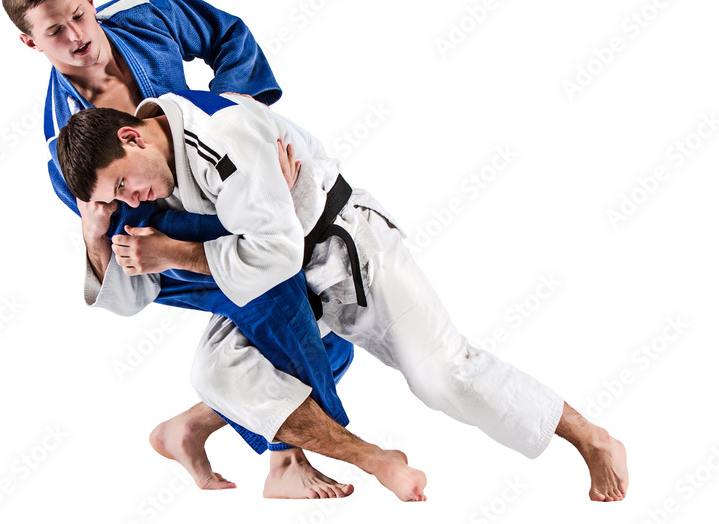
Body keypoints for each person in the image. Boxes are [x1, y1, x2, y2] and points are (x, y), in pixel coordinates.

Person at [55, 90, 630, 502]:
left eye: (124, 185)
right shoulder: (156, 174)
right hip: (282, 288)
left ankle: (592, 440)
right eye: (117, 198)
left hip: (349, 252)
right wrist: (93, 228)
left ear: (131, 135)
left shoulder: (218, 136)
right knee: (215, 369)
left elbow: (273, 252)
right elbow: (130, 298)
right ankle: (371, 458)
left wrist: (177, 254)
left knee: (444, 377)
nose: (131, 200)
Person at [3, 0, 411, 499]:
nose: (77, 37)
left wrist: (247, 139)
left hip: (221, 184)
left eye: (79, 15)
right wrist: (251, 212)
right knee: (278, 295)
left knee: (324, 328)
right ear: (32, 44)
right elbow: (135, 227)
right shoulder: (65, 146)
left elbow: (228, 37)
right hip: (164, 243)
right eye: (55, 31)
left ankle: (190, 429)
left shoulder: (145, 16)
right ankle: (308, 458)